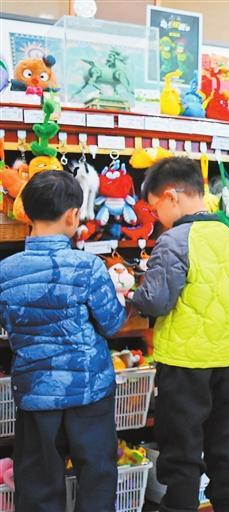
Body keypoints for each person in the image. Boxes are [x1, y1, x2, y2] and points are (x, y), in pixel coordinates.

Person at [132, 157, 229, 512]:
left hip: (182, 365)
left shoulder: (173, 240)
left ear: (171, 197)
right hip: (225, 360)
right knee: (225, 448)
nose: (156, 216)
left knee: (181, 452)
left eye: (155, 207)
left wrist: (134, 294)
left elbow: (156, 300)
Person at [0, 171, 126, 511]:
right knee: (97, 475)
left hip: (35, 392)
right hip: (89, 391)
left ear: (26, 214)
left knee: (37, 483)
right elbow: (113, 323)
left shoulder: (5, 271)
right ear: (72, 215)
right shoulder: (88, 267)